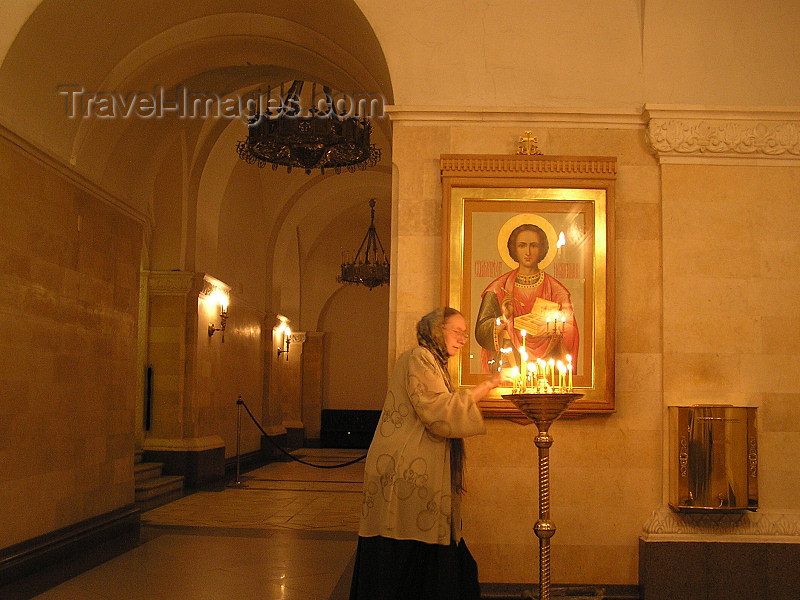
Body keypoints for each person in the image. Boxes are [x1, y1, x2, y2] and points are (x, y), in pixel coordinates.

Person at [349, 307, 504, 600]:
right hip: (404, 471)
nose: (462, 339)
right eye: (456, 331)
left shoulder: (433, 362)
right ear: (436, 330)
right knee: (408, 549)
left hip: (414, 469)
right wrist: (487, 385)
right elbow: (439, 412)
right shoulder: (419, 358)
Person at [474, 223, 578, 373]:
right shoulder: (497, 288)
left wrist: (552, 328)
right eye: (522, 246)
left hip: (547, 366)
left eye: (534, 246)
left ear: (542, 249)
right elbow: (481, 332)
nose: (528, 252)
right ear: (514, 249)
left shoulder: (557, 291)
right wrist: (504, 318)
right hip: (508, 364)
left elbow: (570, 332)